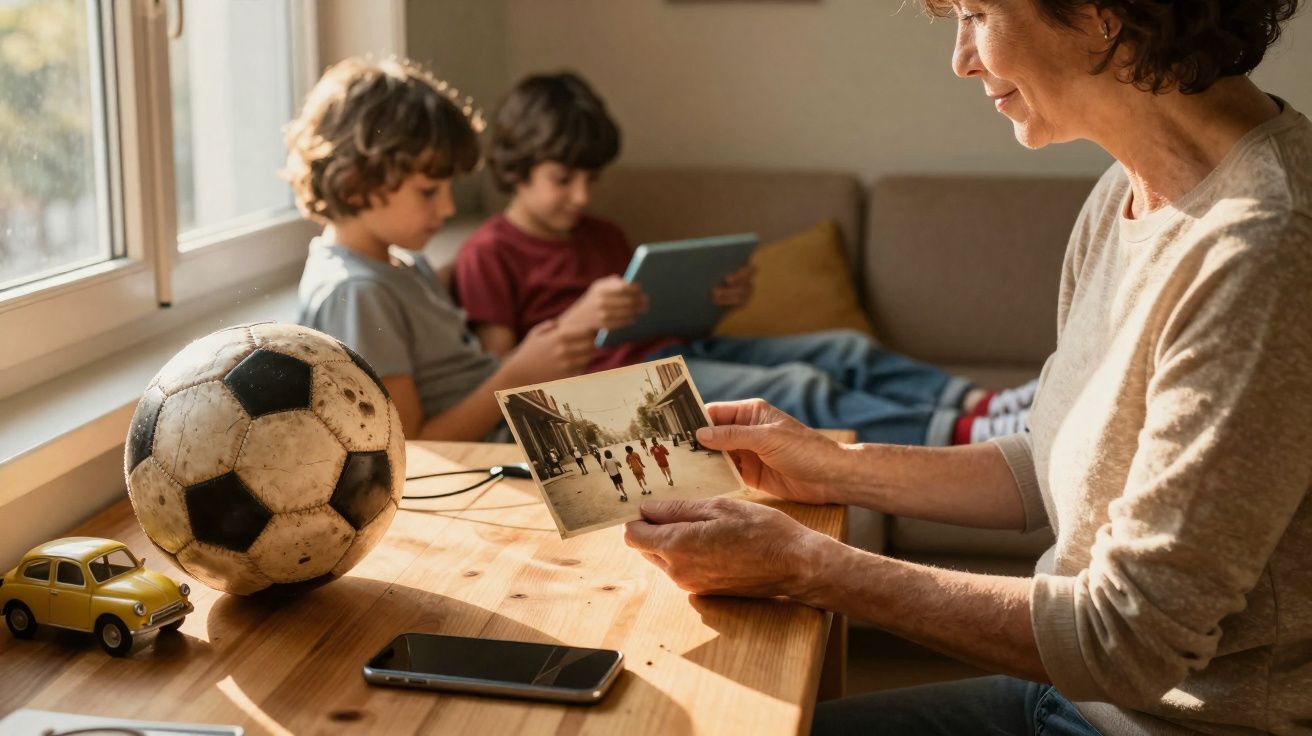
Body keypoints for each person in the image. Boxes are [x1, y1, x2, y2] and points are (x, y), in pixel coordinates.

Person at [623, 2, 1312, 734]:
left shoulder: (1264, 249)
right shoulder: (1126, 192)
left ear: (1101, 12)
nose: (961, 58)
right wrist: (830, 468)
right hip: (1072, 701)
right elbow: (1056, 462)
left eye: (978, 12)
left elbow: (1127, 641)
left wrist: (806, 565)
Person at [452, 71, 1039, 447]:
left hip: (676, 351)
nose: (581, 196)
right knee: (796, 386)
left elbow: (648, 320)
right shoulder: (489, 252)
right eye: (563, 179)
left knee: (842, 347)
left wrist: (708, 303)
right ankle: (969, 435)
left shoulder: (600, 233)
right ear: (515, 167)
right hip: (626, 388)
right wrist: (579, 320)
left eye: (591, 179)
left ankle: (981, 400)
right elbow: (506, 376)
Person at [287, 57, 594, 442]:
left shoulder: (402, 264)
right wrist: (517, 376)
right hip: (486, 462)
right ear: (354, 183)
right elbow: (413, 444)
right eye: (429, 191)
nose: (448, 208)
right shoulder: (357, 292)